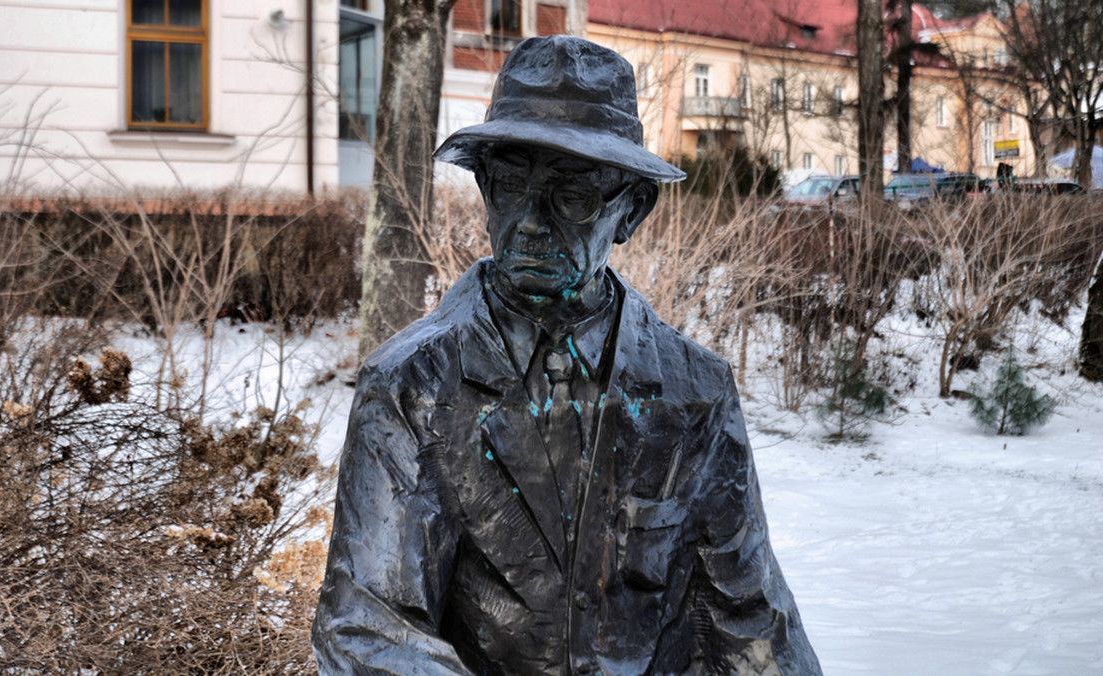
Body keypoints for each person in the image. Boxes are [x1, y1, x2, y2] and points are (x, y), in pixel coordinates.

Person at [313, 35, 821, 675]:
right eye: (508, 187)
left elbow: (748, 620)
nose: (529, 221)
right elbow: (367, 629)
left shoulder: (695, 390)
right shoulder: (414, 385)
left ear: (630, 210)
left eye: (572, 197)